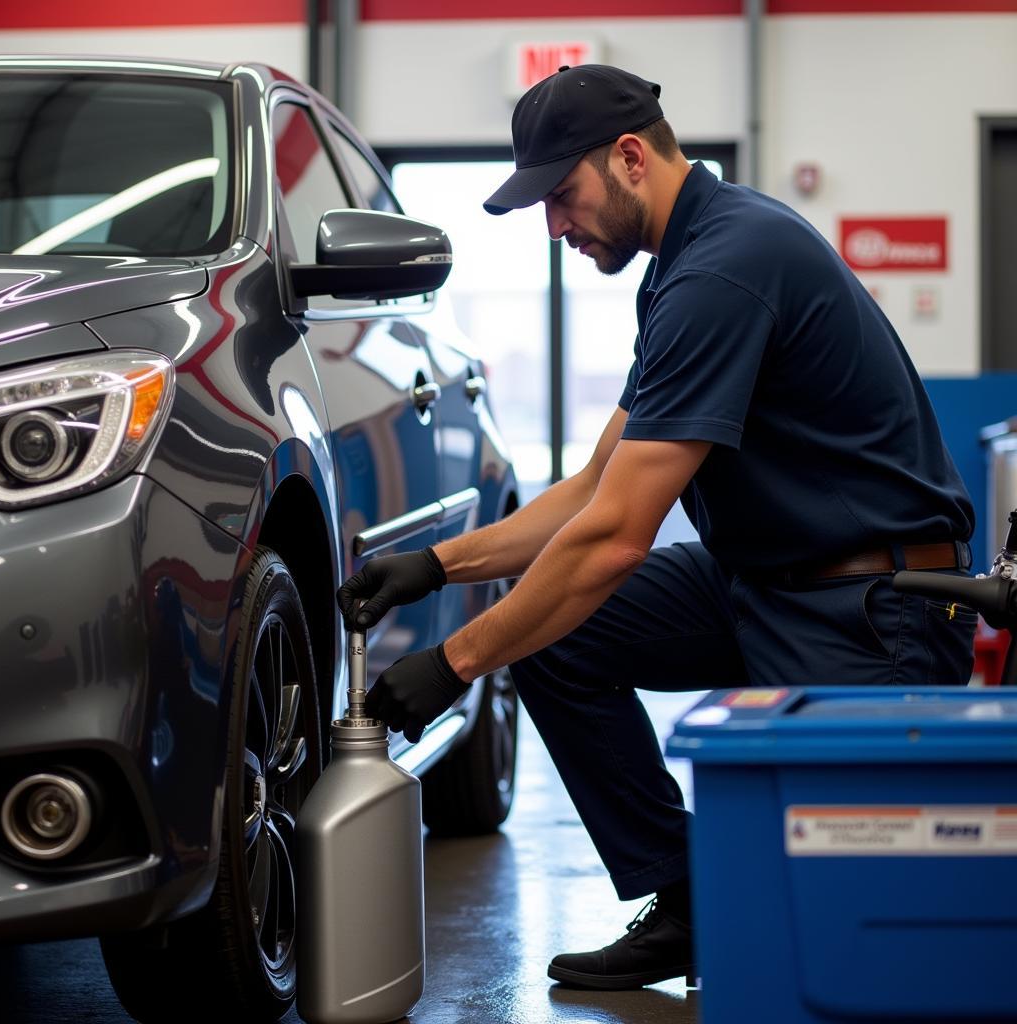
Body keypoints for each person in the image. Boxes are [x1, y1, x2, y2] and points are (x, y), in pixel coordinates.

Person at [337, 64, 976, 991]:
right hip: (767, 580)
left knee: (842, 940)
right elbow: (600, 483)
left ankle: (755, 919)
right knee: (558, 635)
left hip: (870, 610)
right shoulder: (687, 266)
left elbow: (616, 538)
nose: (555, 228)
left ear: (630, 158)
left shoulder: (726, 267)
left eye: (562, 196)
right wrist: (436, 566)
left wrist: (455, 662)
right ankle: (688, 903)